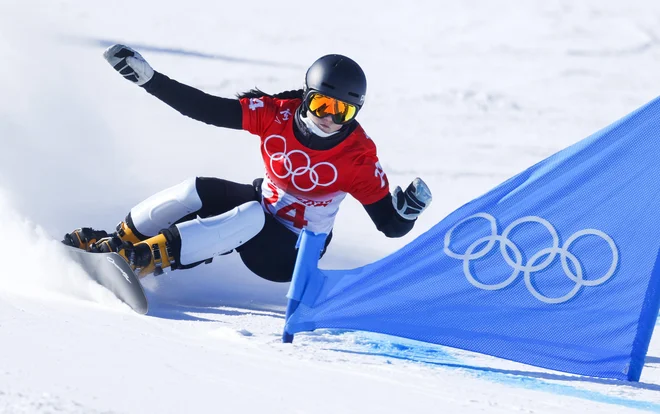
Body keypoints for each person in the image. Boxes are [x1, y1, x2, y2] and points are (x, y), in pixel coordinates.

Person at [63, 44, 432, 283]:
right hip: (264, 205)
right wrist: (150, 81)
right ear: (307, 97)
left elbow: (389, 225)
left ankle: (141, 260)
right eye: (323, 105)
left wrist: (408, 211)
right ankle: (117, 241)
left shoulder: (358, 156)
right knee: (197, 188)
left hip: (292, 253)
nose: (329, 119)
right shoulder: (275, 114)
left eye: (343, 112)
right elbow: (208, 109)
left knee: (252, 215)